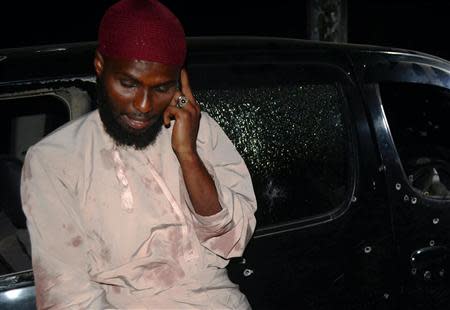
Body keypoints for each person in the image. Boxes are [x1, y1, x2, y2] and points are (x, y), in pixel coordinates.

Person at [20, 0, 257, 308]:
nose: (144, 105)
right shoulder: (55, 160)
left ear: (179, 82)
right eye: (129, 84)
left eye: (161, 88)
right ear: (100, 66)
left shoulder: (198, 130)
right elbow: (68, 297)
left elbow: (233, 241)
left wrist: (187, 155)